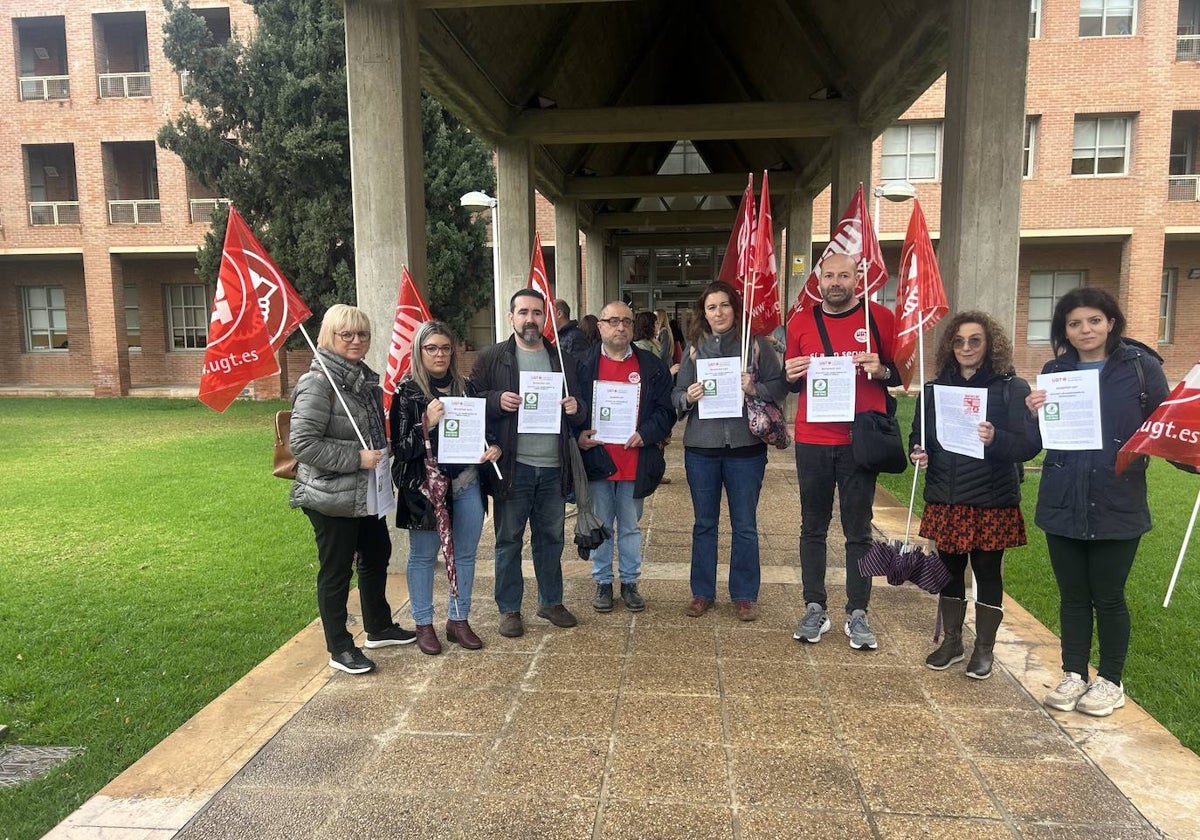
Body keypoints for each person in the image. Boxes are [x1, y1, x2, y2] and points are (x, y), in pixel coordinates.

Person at [1026, 287, 1168, 716]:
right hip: (1063, 497)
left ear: (1110, 322)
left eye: (1093, 320)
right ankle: (1073, 672)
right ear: (1064, 331)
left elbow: (1166, 431)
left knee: (1108, 595)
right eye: (1074, 323)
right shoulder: (1056, 371)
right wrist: (1034, 414)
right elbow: (1038, 442)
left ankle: (1110, 679)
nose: (1085, 329)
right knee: (1071, 595)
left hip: (1117, 498)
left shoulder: (1142, 369)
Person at [909, 312, 1041, 679]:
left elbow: (1030, 445)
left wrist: (996, 438)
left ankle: (984, 649)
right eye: (959, 341)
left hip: (990, 500)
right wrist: (918, 452)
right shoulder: (934, 390)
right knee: (948, 572)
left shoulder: (1012, 388)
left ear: (990, 344)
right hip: (946, 497)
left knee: (986, 573)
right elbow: (918, 435)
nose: (966, 348)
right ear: (951, 346)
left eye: (975, 340)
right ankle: (952, 641)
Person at [289, 304, 415, 675]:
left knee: (377, 554)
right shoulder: (317, 382)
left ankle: (378, 627)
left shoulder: (361, 381)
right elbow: (303, 444)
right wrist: (356, 459)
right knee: (336, 571)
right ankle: (339, 647)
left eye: (362, 334)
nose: (356, 341)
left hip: (365, 494)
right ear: (330, 336)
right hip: (330, 496)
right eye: (347, 335)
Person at [784, 253, 901, 650]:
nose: (835, 282)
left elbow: (901, 373)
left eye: (844, 275)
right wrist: (791, 375)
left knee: (858, 530)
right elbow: (792, 382)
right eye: (829, 275)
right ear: (819, 279)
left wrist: (882, 370)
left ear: (857, 278)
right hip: (813, 440)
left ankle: (858, 611)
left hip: (859, 441)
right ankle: (814, 605)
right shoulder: (799, 321)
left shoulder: (880, 320)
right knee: (812, 527)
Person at [471, 288, 588, 638]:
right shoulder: (493, 358)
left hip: (554, 466)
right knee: (508, 539)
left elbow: (582, 405)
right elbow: (471, 400)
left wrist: (575, 408)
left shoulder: (563, 360)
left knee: (551, 537)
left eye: (537, 313)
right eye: (523, 312)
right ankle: (509, 609)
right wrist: (494, 400)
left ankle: (550, 601)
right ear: (511, 318)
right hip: (513, 467)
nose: (530, 319)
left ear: (546, 318)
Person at [672, 280, 786, 621]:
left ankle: (744, 594)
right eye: (711, 307)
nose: (718, 312)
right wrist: (687, 397)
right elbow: (676, 395)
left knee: (745, 524)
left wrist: (755, 386)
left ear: (735, 308)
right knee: (704, 523)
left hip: (745, 448)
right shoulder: (694, 348)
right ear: (703, 313)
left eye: (724, 305)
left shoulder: (756, 345)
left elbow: (780, 387)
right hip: (702, 448)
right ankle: (702, 592)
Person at [390, 321, 502, 655]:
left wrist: (493, 447)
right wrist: (426, 423)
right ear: (419, 351)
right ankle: (424, 623)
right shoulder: (407, 392)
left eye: (445, 348)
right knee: (423, 556)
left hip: (466, 482)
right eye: (432, 348)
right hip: (426, 490)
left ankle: (458, 619)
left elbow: (483, 431)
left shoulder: (465, 388)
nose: (439, 355)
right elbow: (401, 448)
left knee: (466, 554)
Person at [577, 301, 676, 612]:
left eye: (627, 322)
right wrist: (578, 434)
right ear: (601, 326)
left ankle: (630, 582)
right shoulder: (582, 364)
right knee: (602, 524)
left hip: (635, 461)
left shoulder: (650, 365)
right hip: (598, 462)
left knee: (631, 527)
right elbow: (572, 409)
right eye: (613, 321)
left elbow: (666, 411)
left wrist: (646, 433)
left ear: (633, 328)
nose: (620, 327)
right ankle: (603, 583)